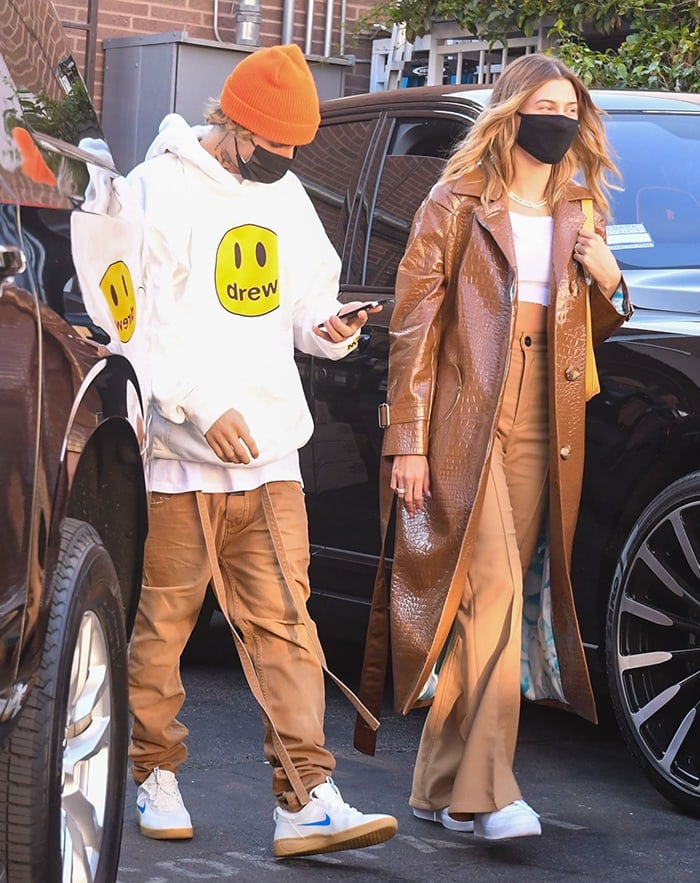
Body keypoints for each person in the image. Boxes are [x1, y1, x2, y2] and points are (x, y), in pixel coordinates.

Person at [126, 43, 397, 858]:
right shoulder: (156, 189)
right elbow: (132, 316)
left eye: (293, 152)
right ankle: (152, 772)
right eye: (269, 148)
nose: (281, 163)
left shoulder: (285, 199)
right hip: (181, 456)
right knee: (164, 621)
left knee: (286, 624)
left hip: (274, 455)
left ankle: (307, 795)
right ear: (231, 123)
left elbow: (306, 297)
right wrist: (201, 406)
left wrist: (329, 327)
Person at [361, 53, 631, 841]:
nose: (562, 119)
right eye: (546, 104)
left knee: (491, 604)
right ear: (511, 113)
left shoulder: (583, 209)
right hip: (465, 419)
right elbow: (414, 329)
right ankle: (485, 792)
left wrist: (611, 280)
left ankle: (436, 783)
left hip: (549, 417)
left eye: (571, 107)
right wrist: (407, 440)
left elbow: (592, 326)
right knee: (496, 596)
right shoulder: (455, 204)